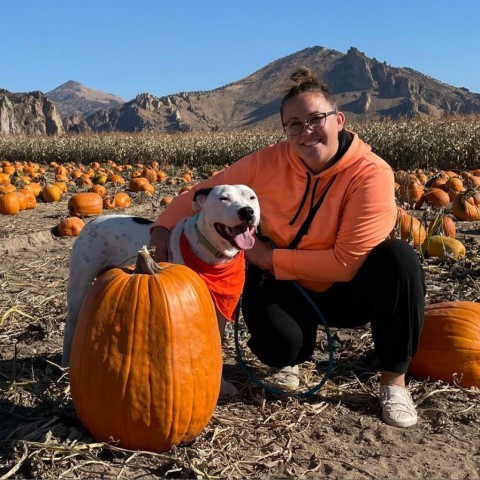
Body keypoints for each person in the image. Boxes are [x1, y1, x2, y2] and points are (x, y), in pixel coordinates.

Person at [149, 67, 425, 429]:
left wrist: (265, 256)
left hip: (348, 289)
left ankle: (393, 383)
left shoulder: (371, 174)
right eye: (293, 124)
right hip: (285, 285)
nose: (305, 131)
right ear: (284, 130)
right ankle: (289, 359)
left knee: (399, 259)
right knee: (280, 346)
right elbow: (201, 193)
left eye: (315, 119)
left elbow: (345, 263)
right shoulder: (267, 162)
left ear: (338, 120)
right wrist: (160, 230)